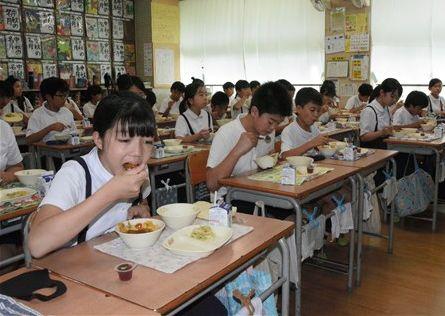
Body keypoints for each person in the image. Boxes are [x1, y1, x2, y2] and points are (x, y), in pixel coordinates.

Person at [28, 92, 155, 258]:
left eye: (147, 142)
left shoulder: (138, 171)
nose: (138, 152)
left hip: (115, 261)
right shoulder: (75, 173)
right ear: (99, 140)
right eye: (124, 140)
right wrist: (110, 193)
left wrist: (142, 209)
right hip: (73, 268)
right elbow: (37, 244)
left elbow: (142, 203)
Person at [206, 81, 292, 197]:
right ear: (254, 111)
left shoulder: (267, 131)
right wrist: (237, 151)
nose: (273, 128)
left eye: (278, 123)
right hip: (230, 201)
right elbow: (211, 184)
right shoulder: (226, 133)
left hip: (258, 193)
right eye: (271, 122)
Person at [280, 87, 330, 158]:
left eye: (318, 111)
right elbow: (284, 156)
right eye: (312, 110)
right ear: (299, 109)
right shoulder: (289, 131)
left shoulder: (313, 127)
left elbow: (319, 141)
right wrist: (311, 144)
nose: (316, 114)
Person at [26, 77, 77, 144]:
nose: (64, 99)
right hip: (46, 152)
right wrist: (50, 128)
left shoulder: (67, 112)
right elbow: (29, 139)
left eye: (65, 95)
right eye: (61, 96)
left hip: (66, 150)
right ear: (48, 97)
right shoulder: (38, 114)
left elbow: (74, 134)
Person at [360, 78, 401, 149]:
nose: (394, 100)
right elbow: (363, 137)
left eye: (396, 98)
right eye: (392, 96)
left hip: (384, 148)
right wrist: (381, 132)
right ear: (382, 93)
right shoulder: (369, 110)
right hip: (372, 151)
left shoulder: (386, 108)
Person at [0, 80, 23, 183]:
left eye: (1, 108)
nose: (1, 112)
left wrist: (7, 176)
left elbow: (17, 167)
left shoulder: (4, 128)